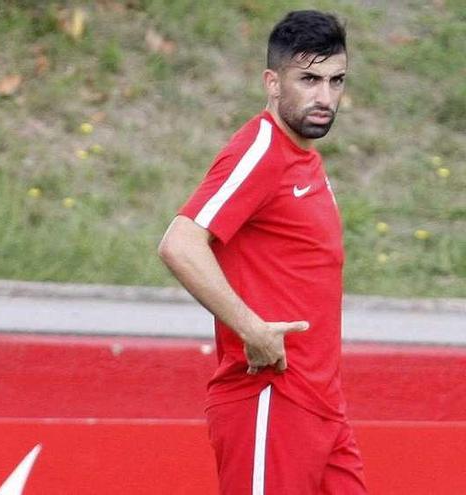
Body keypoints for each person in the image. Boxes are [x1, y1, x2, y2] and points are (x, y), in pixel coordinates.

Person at [158, 10, 367, 495]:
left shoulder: (304, 159)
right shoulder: (261, 149)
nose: (325, 97)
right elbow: (180, 242)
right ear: (272, 82)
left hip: (323, 406)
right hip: (271, 397)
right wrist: (251, 328)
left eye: (336, 81)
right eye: (308, 79)